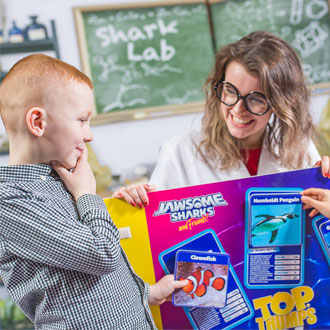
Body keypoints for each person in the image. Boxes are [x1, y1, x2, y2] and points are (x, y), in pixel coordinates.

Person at [0, 54, 187, 329]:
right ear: (38, 122)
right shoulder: (10, 202)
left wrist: (147, 293)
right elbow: (102, 253)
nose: (89, 135)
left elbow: (78, 284)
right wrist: (87, 195)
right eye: (82, 120)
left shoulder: (62, 180)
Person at [113, 30, 328, 207]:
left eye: (256, 98)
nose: (238, 108)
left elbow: (318, 236)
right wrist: (135, 201)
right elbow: (156, 231)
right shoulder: (179, 152)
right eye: (230, 90)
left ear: (282, 102)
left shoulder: (301, 149)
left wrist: (326, 185)